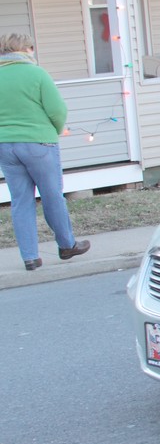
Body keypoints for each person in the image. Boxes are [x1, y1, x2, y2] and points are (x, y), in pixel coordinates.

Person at [0, 32, 90, 271]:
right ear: (26, 49)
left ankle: (30, 257)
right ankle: (67, 244)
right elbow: (57, 110)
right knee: (52, 195)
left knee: (20, 201)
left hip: (5, 146)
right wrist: (55, 130)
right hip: (39, 142)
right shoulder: (36, 73)